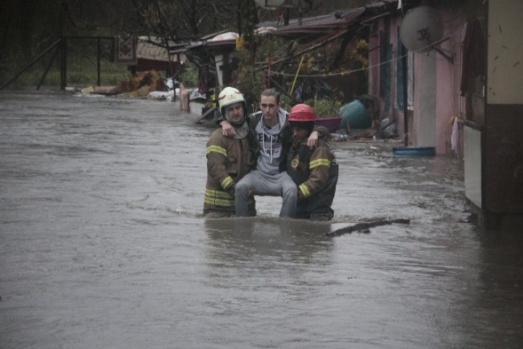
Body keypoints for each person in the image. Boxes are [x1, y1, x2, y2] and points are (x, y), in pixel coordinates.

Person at [220, 88, 324, 218]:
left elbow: (313, 125)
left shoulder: (288, 120)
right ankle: (241, 227)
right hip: (258, 174)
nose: (267, 110)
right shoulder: (253, 120)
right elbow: (234, 118)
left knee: (291, 191)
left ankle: (285, 228)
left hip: (281, 174)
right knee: (240, 187)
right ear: (259, 106)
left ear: (278, 106)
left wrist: (316, 132)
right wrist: (223, 122)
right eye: (264, 106)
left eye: (271, 106)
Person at [203, 87, 256, 218]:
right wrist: (236, 190)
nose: (235, 112)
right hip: (218, 210)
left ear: (244, 109)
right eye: (230, 109)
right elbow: (216, 169)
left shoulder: (250, 134)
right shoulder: (217, 138)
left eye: (238, 108)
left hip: (246, 207)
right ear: (224, 113)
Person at [286, 104, 339, 221]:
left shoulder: (319, 148)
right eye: (293, 129)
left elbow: (318, 180)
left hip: (317, 211)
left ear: (308, 128)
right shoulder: (297, 142)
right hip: (301, 207)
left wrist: (295, 194)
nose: (294, 133)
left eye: (298, 130)